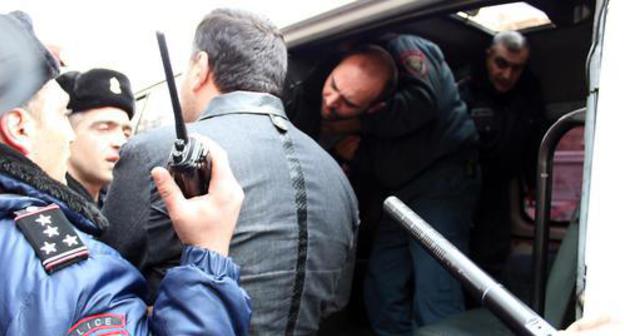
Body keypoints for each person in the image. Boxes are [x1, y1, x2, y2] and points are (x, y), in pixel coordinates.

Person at [101, 8, 359, 335]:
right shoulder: (338, 179)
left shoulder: (159, 151)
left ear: (199, 67)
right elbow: (336, 302)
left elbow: (102, 284)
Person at [0, 11, 251, 335]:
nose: (70, 136)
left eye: (126, 129)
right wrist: (209, 255)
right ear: (19, 128)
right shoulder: (73, 271)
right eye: (63, 115)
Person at [289, 35, 480, 333]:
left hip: (440, 182)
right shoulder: (334, 94)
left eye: (348, 103)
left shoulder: (407, 50)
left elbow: (422, 101)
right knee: (382, 285)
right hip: (399, 193)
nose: (332, 103)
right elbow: (380, 159)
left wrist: (357, 124)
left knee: (435, 290)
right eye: (334, 87)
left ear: (377, 104)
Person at [458, 31, 547, 278]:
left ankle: (485, 313)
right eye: (501, 64)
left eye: (516, 68)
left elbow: (534, 141)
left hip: (498, 187)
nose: (507, 75)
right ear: (488, 56)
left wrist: (532, 181)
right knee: (456, 255)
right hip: (460, 185)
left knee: (492, 259)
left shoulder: (528, 95)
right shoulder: (465, 89)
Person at [56, 69, 134, 206]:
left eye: (126, 133)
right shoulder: (45, 210)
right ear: (66, 131)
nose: (121, 143)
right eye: (104, 129)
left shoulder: (122, 207)